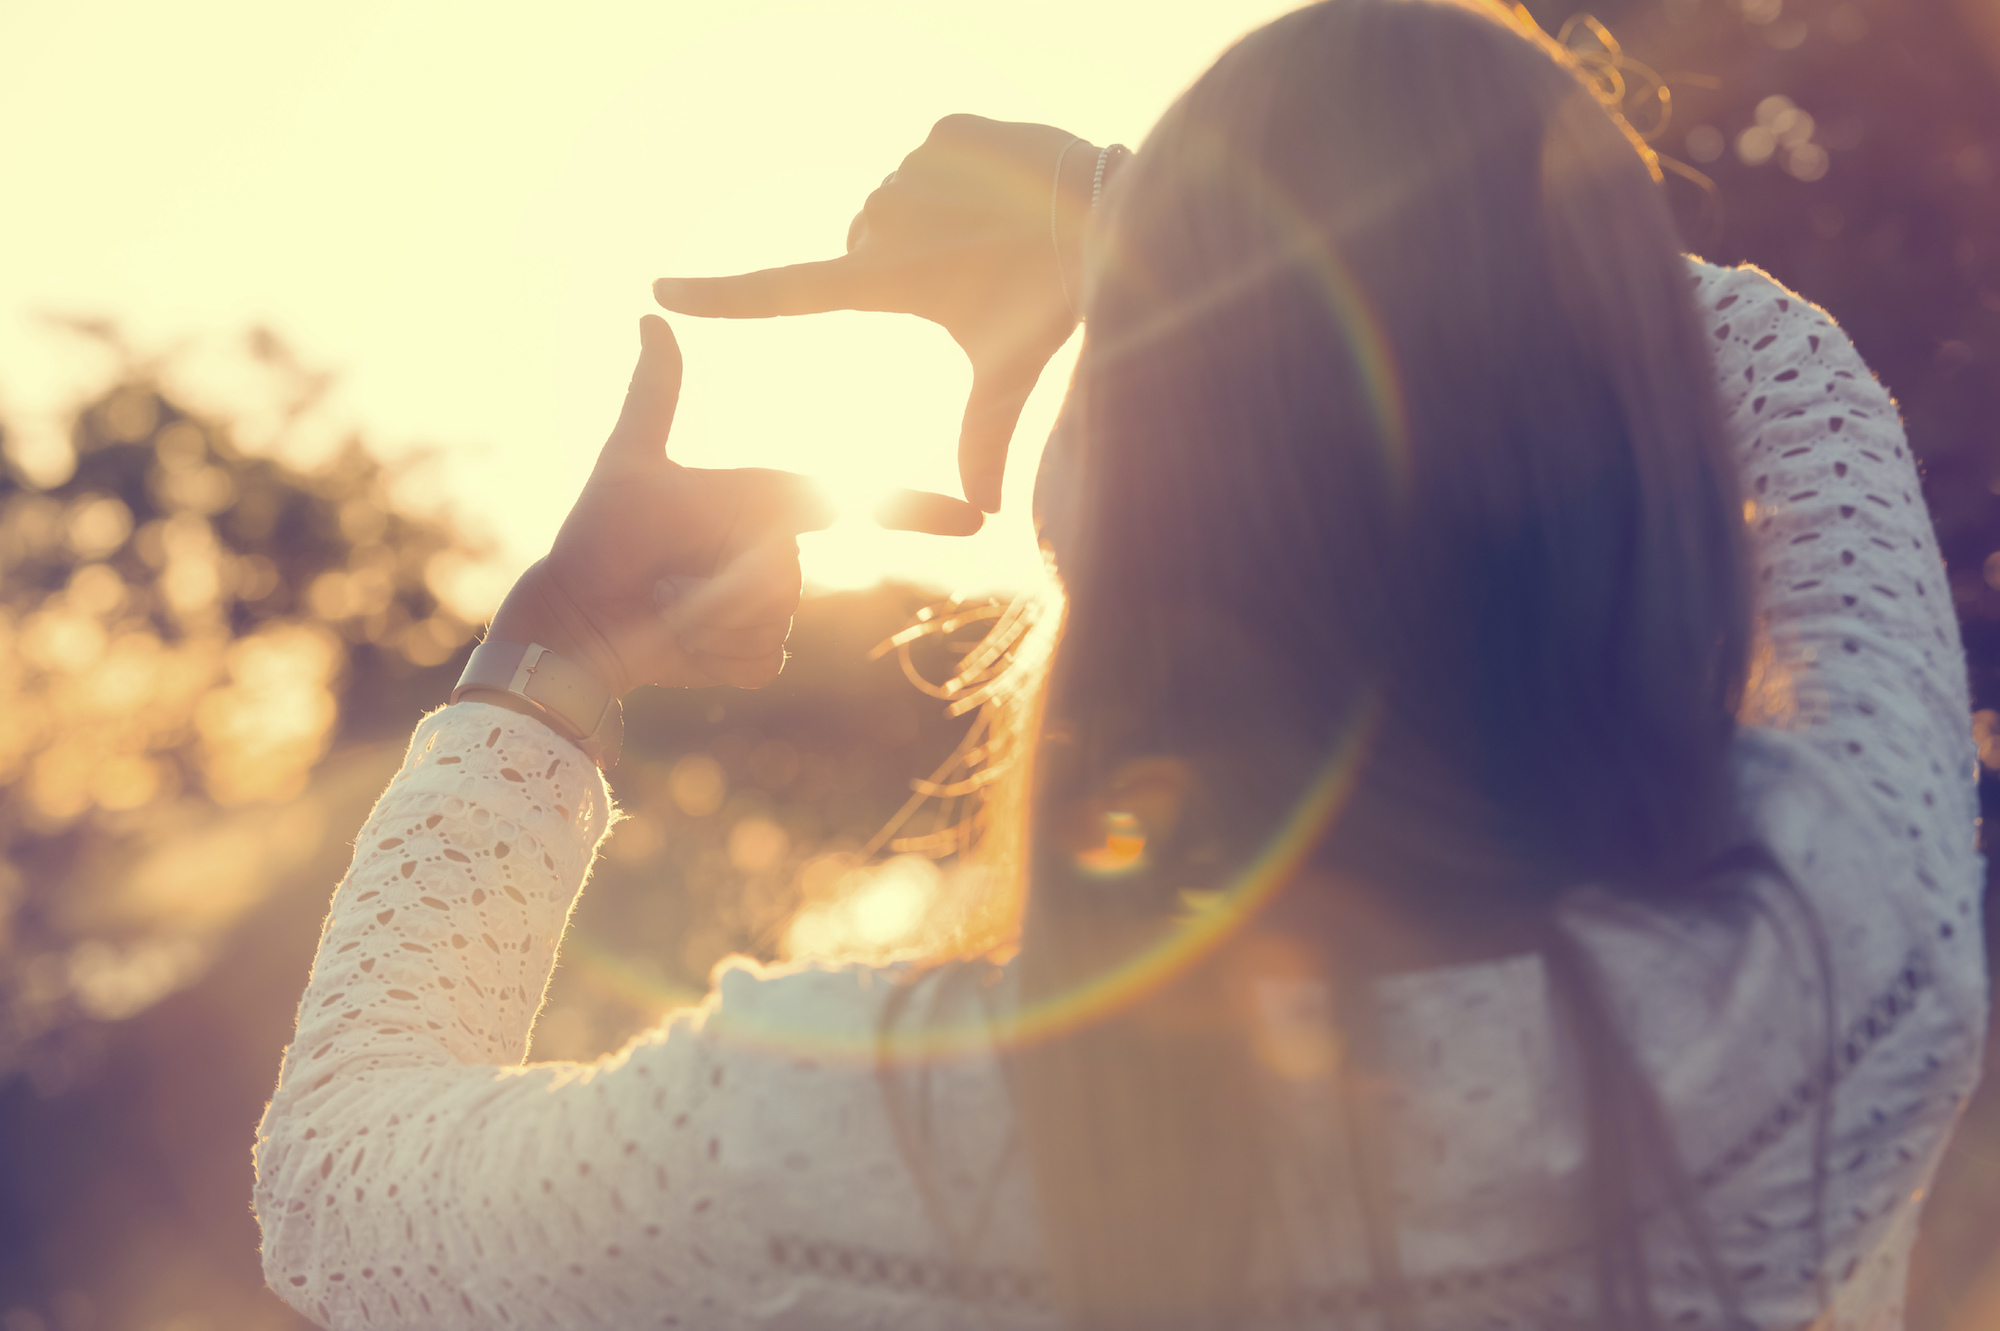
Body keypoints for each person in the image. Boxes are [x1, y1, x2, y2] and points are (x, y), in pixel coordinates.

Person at [252, 0, 1986, 1326]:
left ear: (1105, 509)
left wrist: (557, 656)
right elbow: (1783, 369)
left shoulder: (840, 1143)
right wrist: (1147, 220)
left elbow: (336, 1189)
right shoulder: (1852, 945)